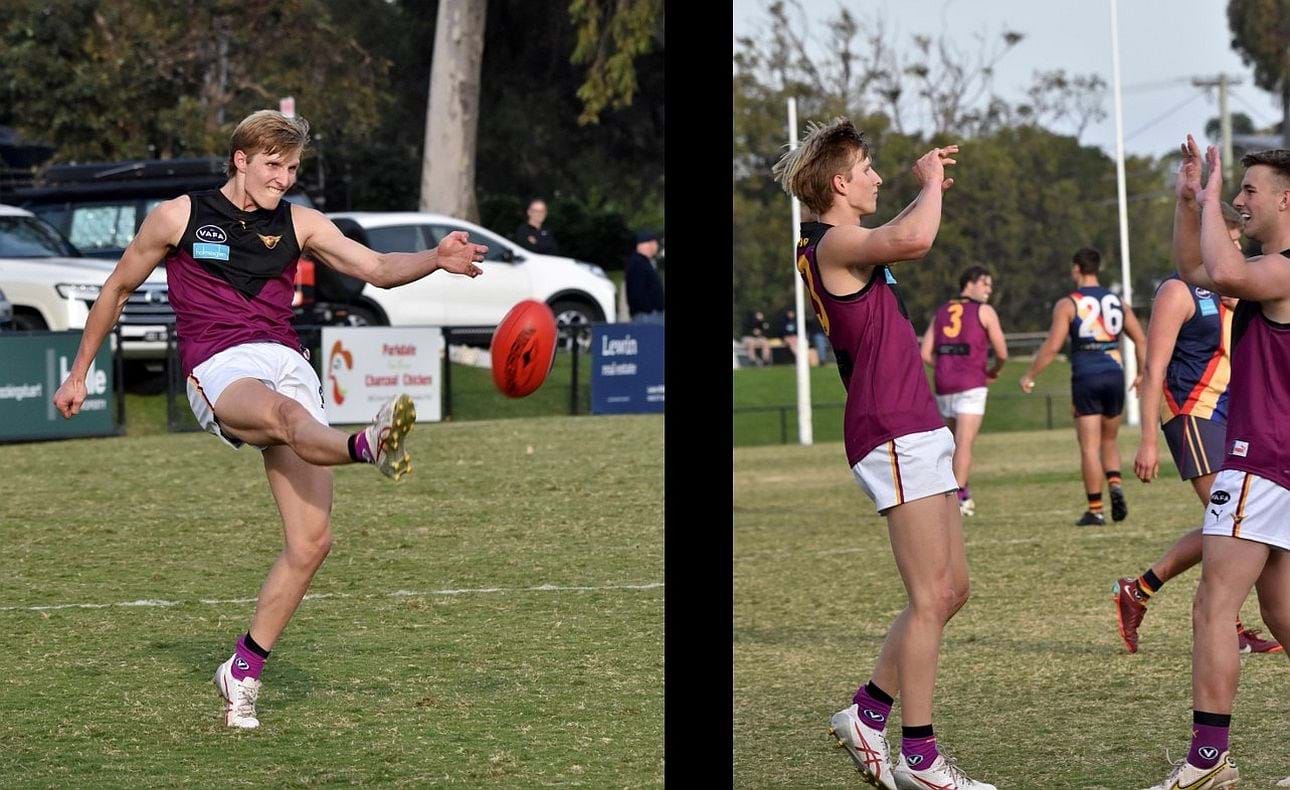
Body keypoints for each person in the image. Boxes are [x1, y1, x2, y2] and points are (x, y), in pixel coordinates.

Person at [51, 110, 487, 730]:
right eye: (273, 167)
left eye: (292, 169)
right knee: (285, 418)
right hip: (220, 367)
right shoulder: (179, 216)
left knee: (312, 542)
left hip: (286, 360)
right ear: (242, 159)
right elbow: (117, 289)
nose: (283, 179)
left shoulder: (300, 223)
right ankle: (367, 446)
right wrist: (79, 371)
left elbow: (376, 270)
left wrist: (436, 257)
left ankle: (243, 669)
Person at [773, 117, 995, 790]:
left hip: (915, 422)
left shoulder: (845, 240)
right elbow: (918, 236)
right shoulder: (835, 242)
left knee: (952, 590)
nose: (876, 176)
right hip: (890, 426)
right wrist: (930, 183)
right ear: (840, 183)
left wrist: (920, 189)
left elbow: (897, 232)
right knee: (929, 597)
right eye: (867, 168)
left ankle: (867, 713)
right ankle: (920, 760)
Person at [1143, 139, 1290, 790]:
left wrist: (1208, 198)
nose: (1240, 200)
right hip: (1276, 466)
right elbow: (1194, 267)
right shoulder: (1267, 265)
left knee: (1213, 605)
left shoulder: (1284, 268)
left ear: (1287, 200)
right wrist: (1187, 200)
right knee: (1284, 617)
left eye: (1250, 190)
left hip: (1260, 460)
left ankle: (1208, 763)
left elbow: (1223, 275)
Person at [1115, 201, 1280, 656]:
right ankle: (1228, 624)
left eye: (1234, 241)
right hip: (1191, 413)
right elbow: (1154, 368)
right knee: (1235, 525)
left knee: (1235, 523)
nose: (1232, 248)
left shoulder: (1234, 289)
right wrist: (1148, 438)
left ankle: (1139, 589)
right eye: (1226, 238)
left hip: (1233, 417)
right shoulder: (1178, 290)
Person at [1019, 247, 1147, 526]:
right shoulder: (1116, 301)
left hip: (1087, 375)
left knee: (1089, 446)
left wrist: (1030, 374)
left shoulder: (1069, 303)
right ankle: (1115, 484)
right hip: (1115, 373)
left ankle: (1096, 510)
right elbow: (1140, 339)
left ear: (1076, 268)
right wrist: (1141, 374)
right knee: (1109, 439)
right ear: (1097, 268)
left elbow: (1053, 346)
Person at [920, 266, 1008, 517]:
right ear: (970, 282)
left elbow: (925, 353)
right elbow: (1002, 352)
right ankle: (958, 497)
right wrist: (994, 370)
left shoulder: (942, 311)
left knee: (950, 445)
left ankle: (959, 490)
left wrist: (947, 366)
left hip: (944, 384)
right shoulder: (984, 310)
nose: (989, 290)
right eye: (985, 284)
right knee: (964, 442)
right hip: (971, 383)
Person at [625, 229, 664, 324]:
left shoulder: (643, 262)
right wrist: (649, 310)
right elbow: (637, 293)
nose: (657, 246)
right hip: (647, 317)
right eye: (656, 243)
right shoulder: (637, 264)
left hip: (650, 315)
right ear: (650, 244)